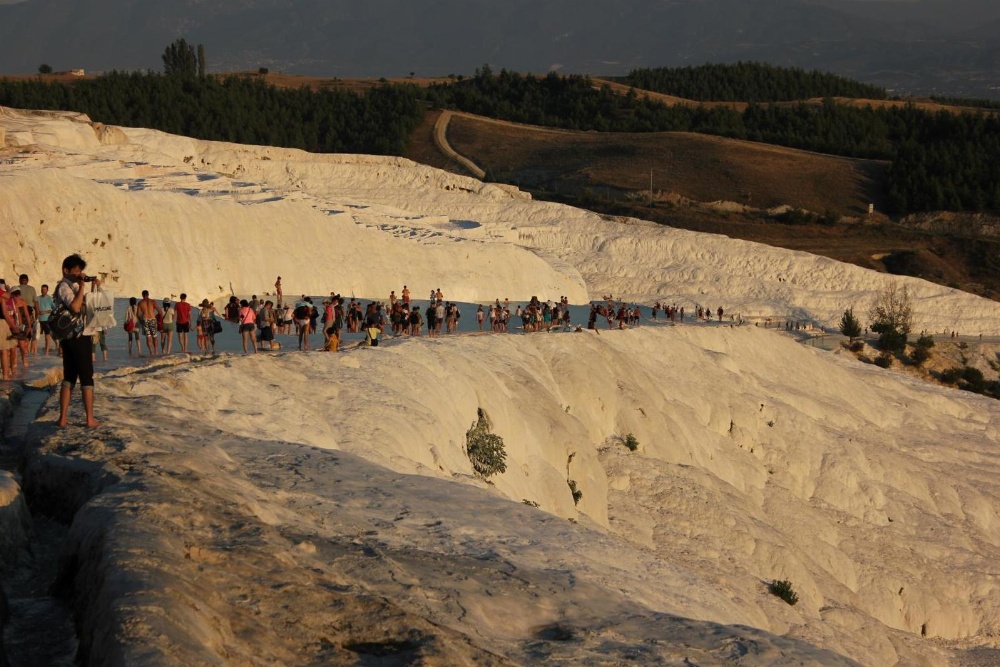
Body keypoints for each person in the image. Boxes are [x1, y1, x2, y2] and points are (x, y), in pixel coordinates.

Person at [55, 254, 101, 428]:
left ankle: (63, 419)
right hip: (77, 336)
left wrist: (94, 287)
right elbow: (75, 307)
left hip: (72, 336)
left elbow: (87, 305)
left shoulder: (72, 285)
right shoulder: (64, 286)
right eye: (75, 271)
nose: (78, 274)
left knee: (70, 376)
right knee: (86, 376)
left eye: (80, 271)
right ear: (65, 270)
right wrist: (82, 286)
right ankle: (89, 419)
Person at [136, 290, 162, 356]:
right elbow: (159, 310)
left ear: (142, 295)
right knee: (155, 336)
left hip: (145, 320)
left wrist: (141, 321)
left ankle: (151, 352)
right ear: (148, 294)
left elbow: (138, 314)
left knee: (148, 337)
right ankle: (156, 351)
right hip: (152, 319)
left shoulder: (140, 303)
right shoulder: (152, 301)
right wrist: (159, 317)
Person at [17, 275, 39, 354]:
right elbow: (36, 302)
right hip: (29, 310)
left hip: (18, 310)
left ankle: (21, 346)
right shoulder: (31, 289)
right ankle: (26, 346)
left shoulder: (17, 288)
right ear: (27, 280)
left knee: (19, 328)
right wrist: (37, 313)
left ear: (19, 280)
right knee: (29, 328)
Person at [37, 283, 55, 355]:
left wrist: (45, 312)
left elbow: (54, 309)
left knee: (47, 336)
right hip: (39, 320)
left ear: (47, 290)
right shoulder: (38, 298)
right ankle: (33, 352)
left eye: (44, 289)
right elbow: (35, 308)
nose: (43, 291)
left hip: (47, 319)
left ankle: (46, 352)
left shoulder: (50, 298)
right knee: (36, 337)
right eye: (42, 289)